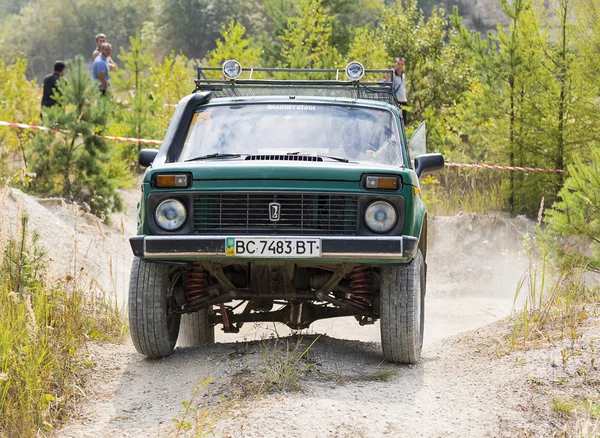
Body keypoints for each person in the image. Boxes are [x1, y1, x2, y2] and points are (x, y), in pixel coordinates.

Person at [393, 57, 408, 123]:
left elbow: (403, 87)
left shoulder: (403, 75)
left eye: (402, 64)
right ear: (396, 64)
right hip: (396, 100)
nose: (400, 66)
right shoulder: (393, 74)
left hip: (403, 100)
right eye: (399, 64)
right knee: (396, 120)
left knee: (404, 121)